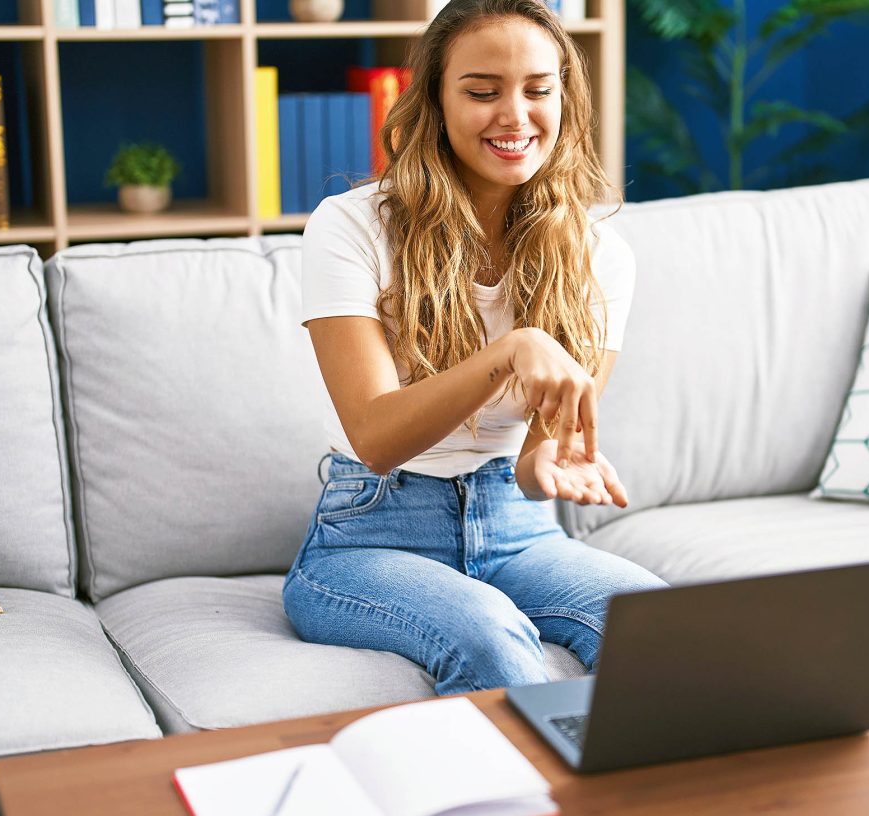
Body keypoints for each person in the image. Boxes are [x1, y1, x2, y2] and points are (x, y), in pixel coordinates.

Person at [283, 0, 667, 696]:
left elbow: (530, 466)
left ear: (565, 101)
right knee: (490, 634)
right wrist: (511, 350)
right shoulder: (351, 227)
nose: (515, 116)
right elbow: (375, 435)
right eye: (483, 92)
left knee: (662, 627)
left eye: (537, 90)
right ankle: (530, 808)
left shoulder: (599, 255)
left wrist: (550, 454)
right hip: (370, 536)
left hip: (518, 529)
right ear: (433, 100)